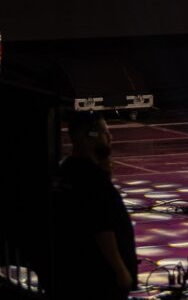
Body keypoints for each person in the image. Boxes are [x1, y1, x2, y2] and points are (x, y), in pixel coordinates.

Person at [52, 112, 137, 299]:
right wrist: (120, 270)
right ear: (88, 137)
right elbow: (102, 228)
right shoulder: (91, 178)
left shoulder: (63, 170)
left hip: (70, 271)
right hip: (98, 276)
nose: (110, 137)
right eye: (105, 132)